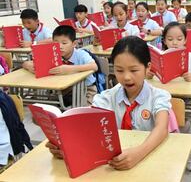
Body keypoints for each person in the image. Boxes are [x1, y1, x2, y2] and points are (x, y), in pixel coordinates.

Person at [46, 36, 171, 170]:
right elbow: (88, 127)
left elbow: (161, 128)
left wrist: (138, 153)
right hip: (116, 162)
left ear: (148, 68)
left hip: (148, 160)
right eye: (119, 70)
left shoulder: (159, 96)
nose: (126, 77)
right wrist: (66, 145)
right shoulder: (107, 97)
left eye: (134, 70)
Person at [22, 25, 98, 104]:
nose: (60, 46)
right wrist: (29, 66)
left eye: (64, 43)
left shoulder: (81, 54)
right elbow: (25, 63)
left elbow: (94, 66)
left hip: (85, 89)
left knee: (82, 110)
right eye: (56, 43)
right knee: (46, 105)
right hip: (63, 90)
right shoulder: (52, 54)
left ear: (74, 43)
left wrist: (69, 69)